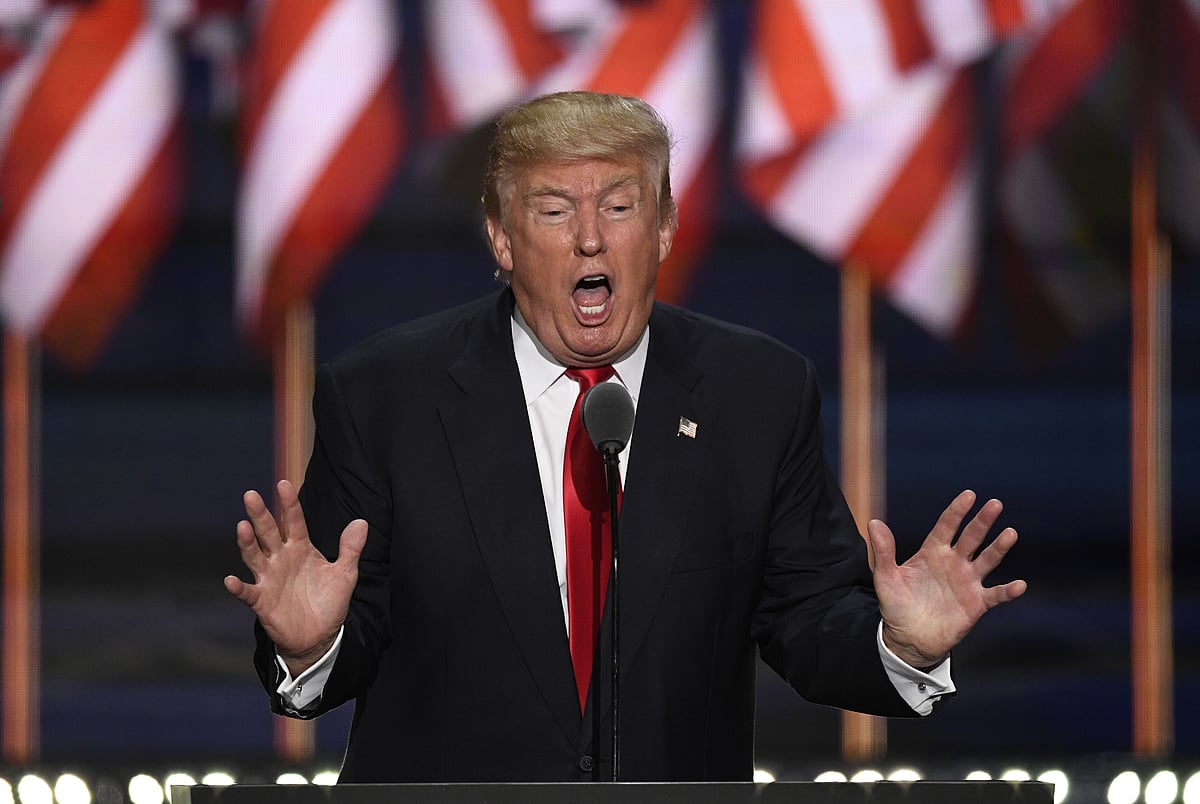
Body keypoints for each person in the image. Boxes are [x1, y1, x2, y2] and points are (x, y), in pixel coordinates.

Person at [224, 90, 1026, 783]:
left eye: (618, 206)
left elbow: (808, 619)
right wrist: (310, 647)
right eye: (553, 211)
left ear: (665, 226)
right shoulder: (385, 395)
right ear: (501, 238)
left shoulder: (757, 392)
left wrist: (903, 647)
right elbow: (348, 628)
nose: (590, 239)